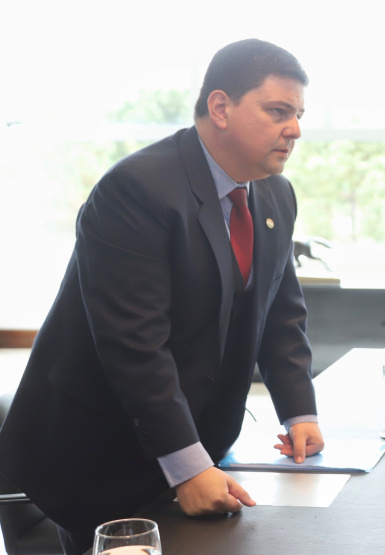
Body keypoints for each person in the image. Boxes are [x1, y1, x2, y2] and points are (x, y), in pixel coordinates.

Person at [0, 38, 325, 554]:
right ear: (220, 107)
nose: (296, 129)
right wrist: (188, 465)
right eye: (278, 111)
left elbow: (280, 312)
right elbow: (134, 346)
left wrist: (299, 412)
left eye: (299, 114)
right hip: (102, 452)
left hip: (193, 441)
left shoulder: (274, 193)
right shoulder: (137, 190)